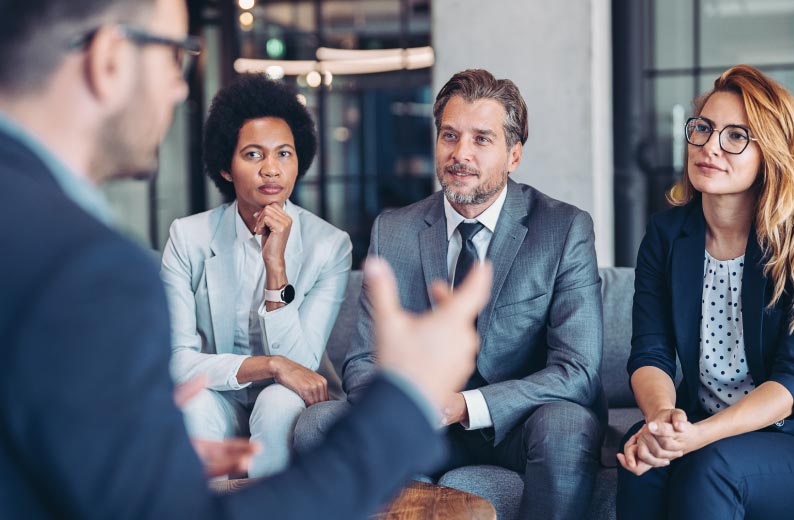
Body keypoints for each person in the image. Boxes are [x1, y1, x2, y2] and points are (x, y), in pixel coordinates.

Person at [0, 0, 494, 517]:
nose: (181, 87)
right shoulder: (90, 268)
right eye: (176, 55)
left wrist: (147, 466)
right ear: (108, 59)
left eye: (284, 153)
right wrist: (409, 400)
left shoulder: (37, 237)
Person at [295, 68, 606, 520]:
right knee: (318, 425)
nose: (461, 154)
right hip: (418, 422)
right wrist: (409, 402)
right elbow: (362, 361)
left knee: (566, 425)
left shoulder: (562, 229)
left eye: (482, 139)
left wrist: (465, 406)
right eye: (450, 136)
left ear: (514, 154)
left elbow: (577, 370)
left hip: (518, 427)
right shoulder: (394, 230)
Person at [617, 64, 794, 519]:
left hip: (787, 436)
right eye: (703, 129)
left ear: (769, 153)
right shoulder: (666, 235)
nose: (710, 147)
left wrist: (698, 438)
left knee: (712, 466)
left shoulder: (793, 243)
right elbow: (650, 353)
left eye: (735, 136)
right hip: (701, 424)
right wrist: (662, 420)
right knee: (642, 456)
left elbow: (792, 381)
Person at [160, 74, 351, 477]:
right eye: (253, 155)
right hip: (219, 395)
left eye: (284, 154)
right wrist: (269, 364)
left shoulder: (329, 246)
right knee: (193, 404)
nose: (271, 170)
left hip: (290, 401)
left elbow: (299, 366)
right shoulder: (188, 237)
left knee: (276, 402)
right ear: (226, 168)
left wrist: (275, 266)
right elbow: (176, 361)